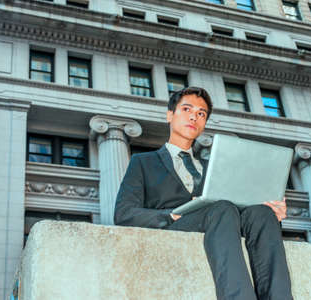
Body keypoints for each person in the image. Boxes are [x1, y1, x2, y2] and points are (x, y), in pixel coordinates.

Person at [114, 87, 293, 300]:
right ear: (169, 115)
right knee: (222, 208)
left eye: (201, 114)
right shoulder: (142, 162)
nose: (194, 116)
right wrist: (170, 214)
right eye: (187, 109)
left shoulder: (216, 166)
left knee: (261, 213)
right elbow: (124, 213)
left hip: (222, 222)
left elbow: (244, 210)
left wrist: (274, 211)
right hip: (178, 222)